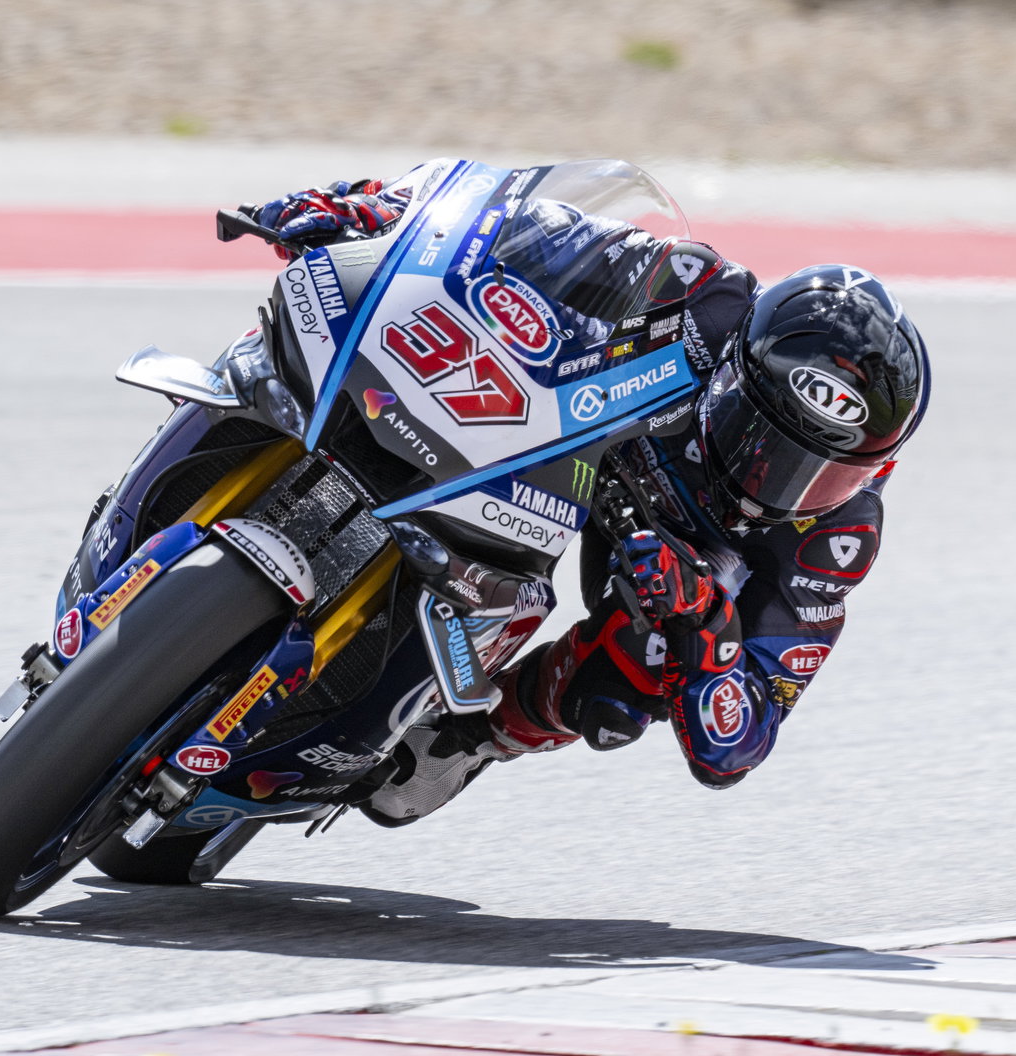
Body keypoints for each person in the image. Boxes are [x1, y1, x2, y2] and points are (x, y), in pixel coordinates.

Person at [251, 162, 931, 825]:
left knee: (626, 684)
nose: (773, 485)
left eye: (823, 472)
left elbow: (736, 746)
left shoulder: (836, 541)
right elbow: (524, 228)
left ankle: (468, 738)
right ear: (734, 372)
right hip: (569, 436)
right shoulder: (702, 294)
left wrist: (705, 621)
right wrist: (375, 209)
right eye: (763, 437)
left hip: (656, 563)